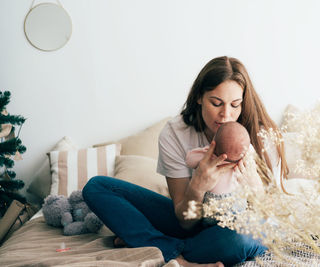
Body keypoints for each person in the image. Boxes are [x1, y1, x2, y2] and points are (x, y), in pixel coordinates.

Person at [83, 56, 289, 267]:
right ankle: (178, 253)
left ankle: (152, 245)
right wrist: (197, 187)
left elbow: (272, 216)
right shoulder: (175, 133)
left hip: (239, 226)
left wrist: (254, 185)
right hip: (194, 221)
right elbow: (186, 222)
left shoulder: (261, 136)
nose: (226, 115)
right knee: (97, 187)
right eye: (216, 103)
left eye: (235, 105)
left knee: (240, 239)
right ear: (199, 97)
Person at [185, 121, 250, 195]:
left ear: (213, 143)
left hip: (213, 199)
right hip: (237, 198)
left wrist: (207, 150)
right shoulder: (243, 161)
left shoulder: (209, 157)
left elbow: (189, 160)